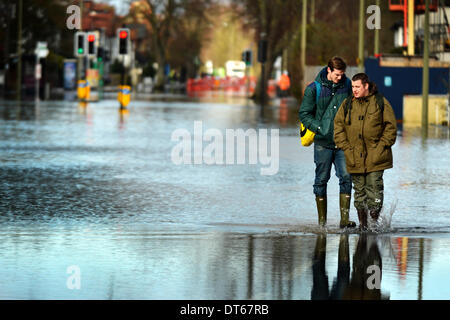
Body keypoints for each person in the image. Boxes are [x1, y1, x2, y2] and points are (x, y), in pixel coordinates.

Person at [334, 73, 397, 231]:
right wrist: (346, 148)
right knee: (359, 192)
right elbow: (338, 127)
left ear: (366, 86)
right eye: (353, 87)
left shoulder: (380, 102)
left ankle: (374, 225)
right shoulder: (347, 104)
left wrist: (381, 146)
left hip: (376, 157)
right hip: (354, 156)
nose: (354, 90)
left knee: (374, 190)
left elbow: (391, 127)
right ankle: (363, 226)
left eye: (357, 87)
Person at [299, 56, 355, 228]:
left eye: (342, 74)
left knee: (346, 178)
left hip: (343, 142)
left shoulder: (348, 86)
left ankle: (344, 220)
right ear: (329, 70)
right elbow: (304, 114)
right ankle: (322, 223)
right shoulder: (313, 89)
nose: (341, 78)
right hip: (323, 143)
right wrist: (319, 128)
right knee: (321, 180)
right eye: (337, 74)